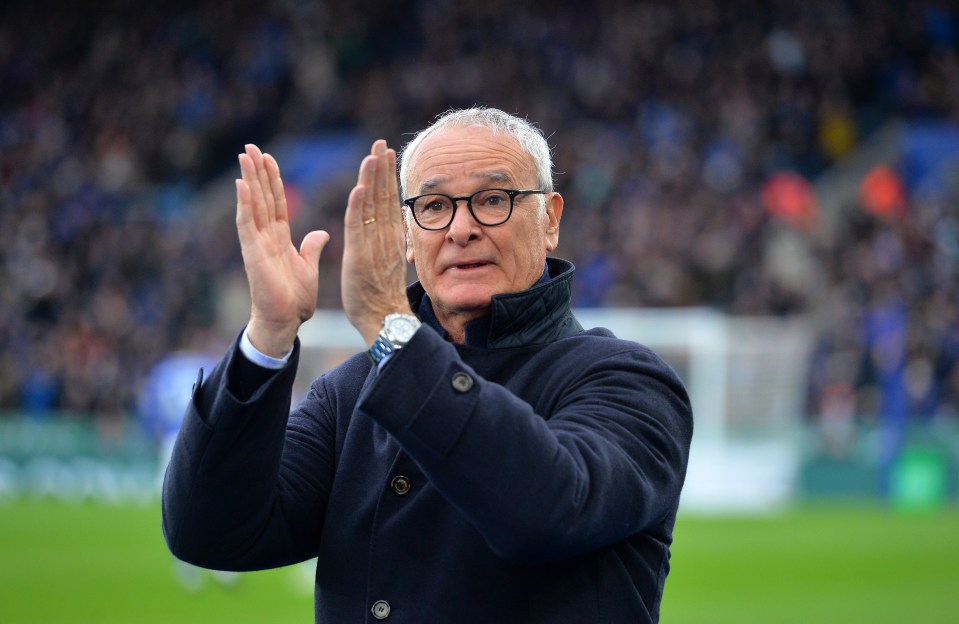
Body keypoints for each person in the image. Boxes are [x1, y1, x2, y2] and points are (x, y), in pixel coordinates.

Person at [161, 107, 693, 623]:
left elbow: (545, 512)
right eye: (434, 206)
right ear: (409, 236)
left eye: (493, 199)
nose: (460, 228)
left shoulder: (629, 382)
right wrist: (268, 335)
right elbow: (209, 533)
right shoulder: (348, 394)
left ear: (550, 219)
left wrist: (392, 331)